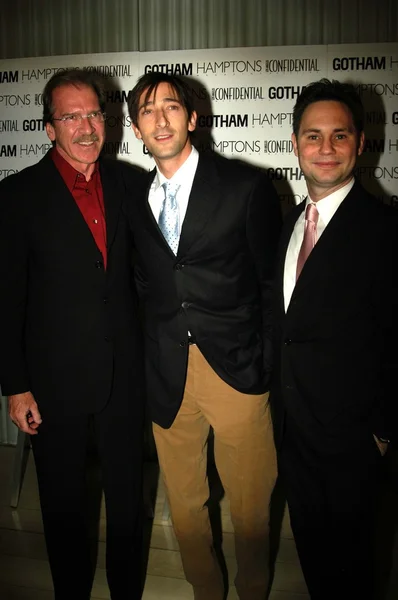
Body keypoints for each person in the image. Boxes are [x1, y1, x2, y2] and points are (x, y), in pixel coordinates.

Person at [123, 71, 282, 600]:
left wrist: (263, 365)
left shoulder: (245, 186)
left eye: (170, 107)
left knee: (251, 500)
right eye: (147, 111)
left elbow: (269, 284)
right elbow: (146, 285)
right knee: (186, 499)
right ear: (136, 129)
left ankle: (253, 587)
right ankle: (204, 590)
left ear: (192, 118)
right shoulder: (134, 200)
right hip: (167, 372)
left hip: (235, 368)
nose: (160, 119)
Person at [0, 69, 145, 600]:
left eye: (93, 114)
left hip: (125, 376)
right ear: (47, 128)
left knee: (129, 501)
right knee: (64, 507)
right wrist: (15, 386)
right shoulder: (16, 196)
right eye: (71, 116)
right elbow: (7, 298)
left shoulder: (131, 184)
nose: (86, 127)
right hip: (53, 384)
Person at [271, 78, 398, 599]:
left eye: (339, 136)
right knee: (316, 564)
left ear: (360, 144)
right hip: (294, 434)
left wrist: (383, 432)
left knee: (358, 570)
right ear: (295, 143)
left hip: (355, 442)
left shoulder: (386, 231)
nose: (326, 149)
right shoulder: (286, 226)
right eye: (313, 136)